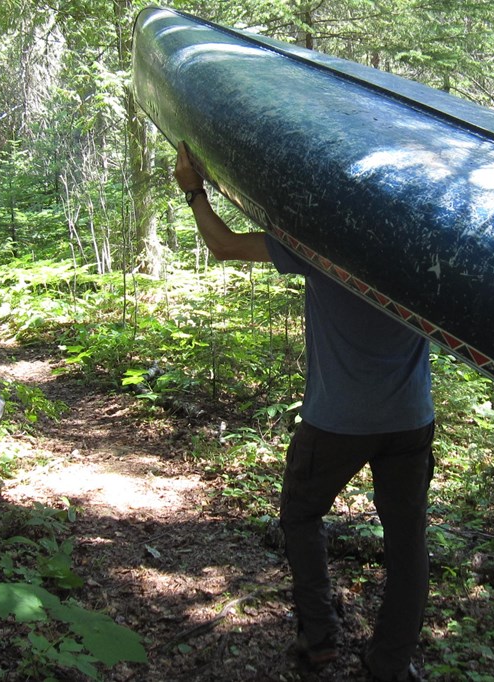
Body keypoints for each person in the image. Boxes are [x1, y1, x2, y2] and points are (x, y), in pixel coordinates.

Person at [174, 142, 435, 682]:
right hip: (409, 420)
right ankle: (390, 662)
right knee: (407, 540)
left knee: (299, 513)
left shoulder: (325, 245)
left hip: (336, 423)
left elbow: (222, 245)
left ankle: (319, 639)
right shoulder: (426, 251)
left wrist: (194, 190)